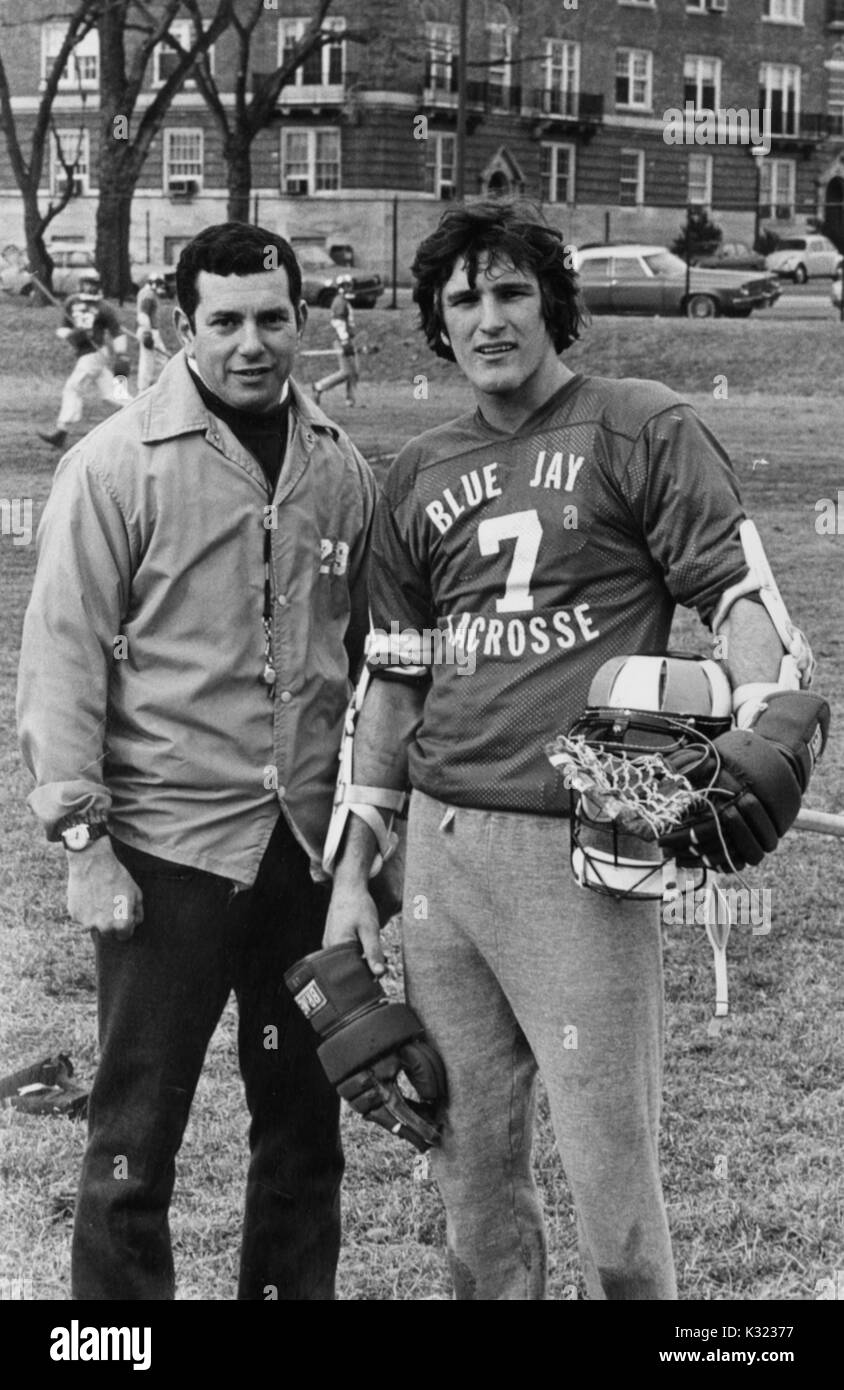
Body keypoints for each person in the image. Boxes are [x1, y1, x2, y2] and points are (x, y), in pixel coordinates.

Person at [322, 200, 829, 1301]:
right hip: (441, 853)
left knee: (607, 1158)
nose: (490, 318)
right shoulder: (415, 470)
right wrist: (357, 868)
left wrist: (760, 717)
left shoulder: (642, 422)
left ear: (554, 301)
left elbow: (736, 593)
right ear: (438, 327)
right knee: (469, 1158)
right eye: (463, 301)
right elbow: (394, 678)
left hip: (579, 848)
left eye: (511, 292)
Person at [18, 222, 377, 1300]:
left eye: (273, 318)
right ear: (183, 326)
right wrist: (85, 846)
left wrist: (367, 848)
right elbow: (62, 660)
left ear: (303, 321)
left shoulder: (342, 469)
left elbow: (364, 667)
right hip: (168, 855)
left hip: (302, 859)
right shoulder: (114, 464)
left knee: (303, 1133)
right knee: (134, 1143)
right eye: (223, 320)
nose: (251, 343)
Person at [37, 272, 131, 450]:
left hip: (95, 352)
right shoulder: (71, 301)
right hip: (85, 352)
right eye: (86, 283)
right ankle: (142, 412)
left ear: (99, 285)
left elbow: (116, 332)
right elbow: (62, 328)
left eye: (92, 284)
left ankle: (61, 430)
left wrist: (121, 353)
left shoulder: (104, 307)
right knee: (113, 394)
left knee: (72, 388)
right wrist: (73, 335)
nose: (89, 287)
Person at [313, 284, 358, 407]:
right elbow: (338, 323)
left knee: (353, 371)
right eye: (347, 286)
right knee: (346, 372)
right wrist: (345, 341)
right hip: (342, 340)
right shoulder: (340, 302)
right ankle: (319, 386)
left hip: (347, 339)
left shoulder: (343, 301)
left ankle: (350, 401)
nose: (350, 289)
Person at [135, 271, 169, 391]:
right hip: (149, 331)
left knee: (160, 360)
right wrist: (147, 333)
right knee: (148, 362)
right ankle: (143, 390)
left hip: (150, 330)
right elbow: (143, 315)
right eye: (159, 283)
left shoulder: (147, 293)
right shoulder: (148, 294)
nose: (161, 286)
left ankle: (155, 387)